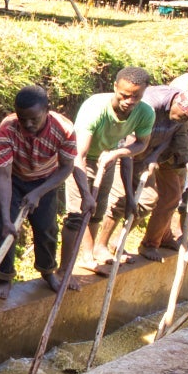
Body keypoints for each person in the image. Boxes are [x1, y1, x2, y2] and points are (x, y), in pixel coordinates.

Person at [0, 85, 91, 299]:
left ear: (47, 110)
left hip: (47, 179)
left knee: (47, 229)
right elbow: (4, 176)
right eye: (22, 118)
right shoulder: (7, 129)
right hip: (16, 180)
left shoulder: (64, 128)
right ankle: (4, 277)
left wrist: (39, 192)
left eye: (34, 119)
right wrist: (7, 217)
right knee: (5, 229)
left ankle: (48, 272)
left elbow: (66, 167)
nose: (27, 124)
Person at [69, 67, 155, 274]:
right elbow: (78, 154)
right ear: (115, 87)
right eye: (124, 95)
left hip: (106, 157)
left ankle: (95, 251)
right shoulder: (95, 108)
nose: (129, 101)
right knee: (81, 209)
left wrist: (117, 154)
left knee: (98, 210)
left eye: (136, 96)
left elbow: (142, 144)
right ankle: (86, 256)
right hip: (79, 160)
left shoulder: (145, 112)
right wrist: (85, 192)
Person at [126, 84, 188, 259]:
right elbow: (132, 135)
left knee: (173, 195)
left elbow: (177, 134)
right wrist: (148, 157)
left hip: (162, 154)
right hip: (135, 152)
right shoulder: (150, 104)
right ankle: (115, 242)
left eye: (187, 118)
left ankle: (150, 244)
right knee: (145, 199)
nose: (181, 119)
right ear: (178, 103)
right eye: (182, 116)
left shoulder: (186, 112)